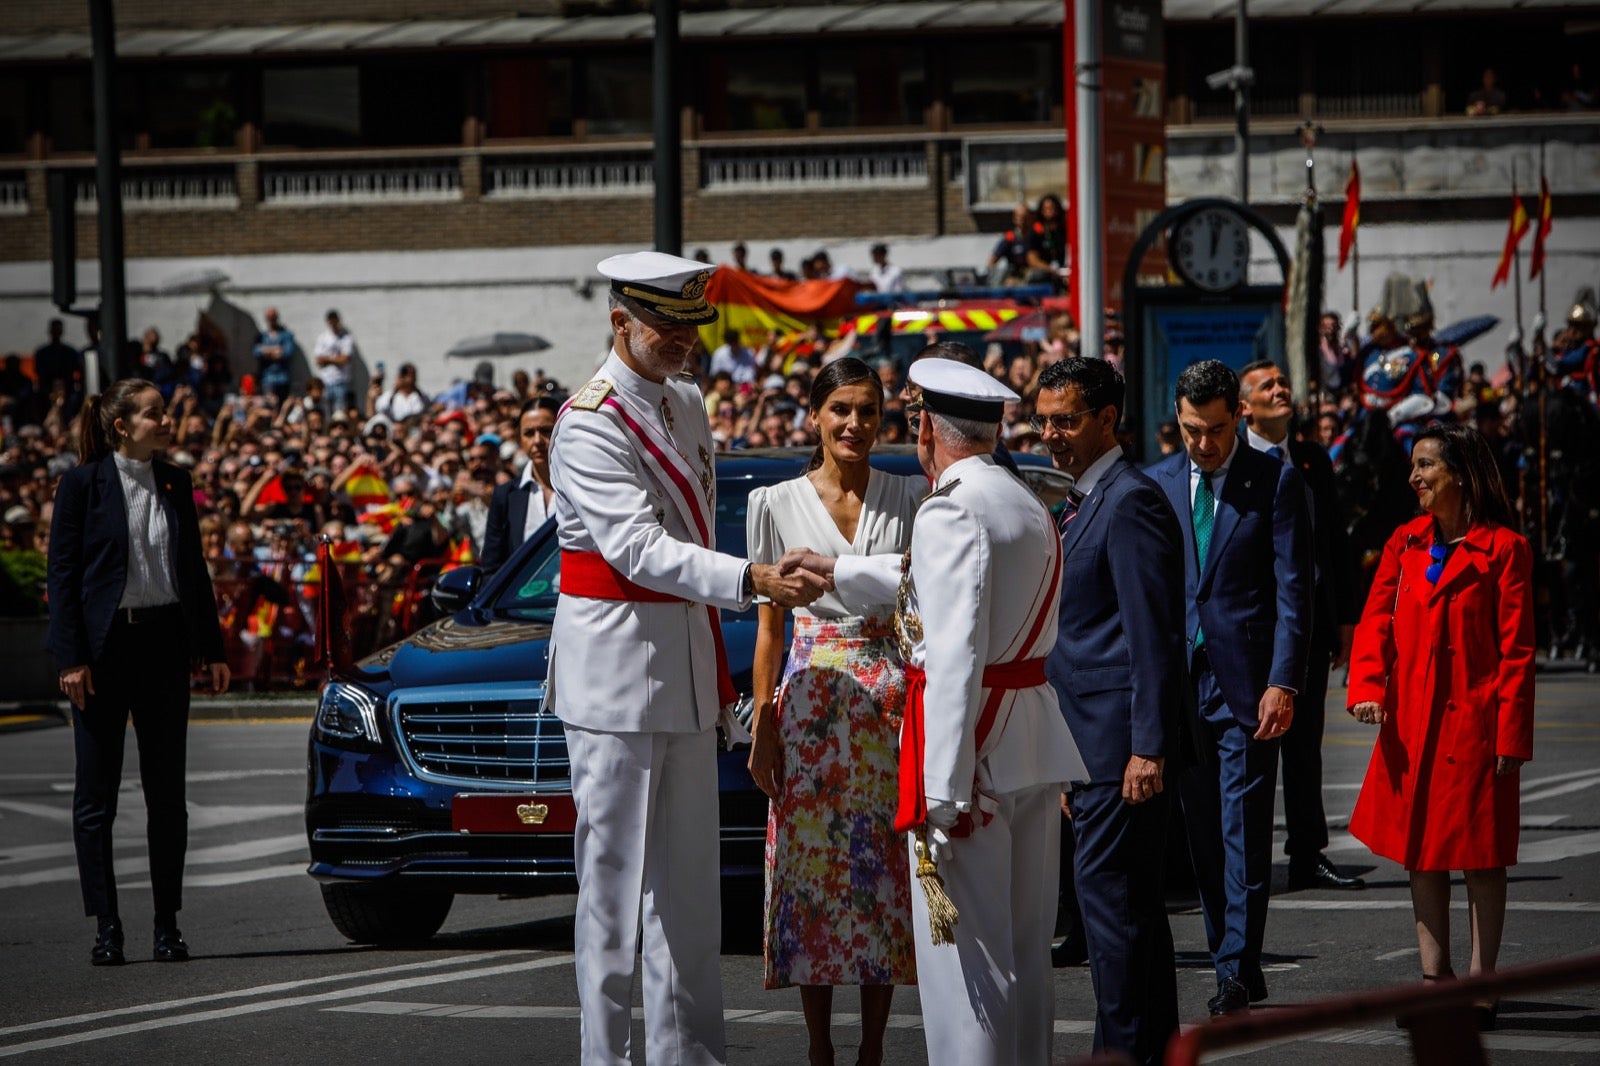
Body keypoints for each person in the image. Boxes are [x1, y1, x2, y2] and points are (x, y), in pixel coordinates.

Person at [546, 250, 826, 1065]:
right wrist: (750, 576)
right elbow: (636, 548)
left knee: (689, 901)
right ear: (619, 322)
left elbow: (689, 533)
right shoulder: (591, 419)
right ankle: (608, 1057)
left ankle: (691, 1056)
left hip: (683, 668)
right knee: (610, 895)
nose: (680, 341)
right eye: (664, 325)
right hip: (613, 674)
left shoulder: (686, 403)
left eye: (689, 325)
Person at [786, 358, 1083, 1066]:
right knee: (1022, 955)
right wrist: (838, 570)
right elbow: (937, 580)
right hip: (1029, 740)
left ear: (925, 428)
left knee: (967, 973)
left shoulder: (951, 507)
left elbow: (950, 652)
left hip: (971, 755)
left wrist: (943, 793)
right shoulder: (1023, 498)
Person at [745, 357, 923, 1066]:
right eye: (841, 409)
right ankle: (819, 1048)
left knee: (882, 878)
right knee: (809, 876)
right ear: (814, 415)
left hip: (890, 702)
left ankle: (873, 1048)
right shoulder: (773, 503)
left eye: (869, 411)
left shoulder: (910, 494)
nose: (855, 423)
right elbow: (767, 628)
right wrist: (762, 724)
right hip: (810, 701)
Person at [1346, 423, 1534, 1031]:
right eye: (1414, 466)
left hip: (1476, 724)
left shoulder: (1504, 549)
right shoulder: (1404, 543)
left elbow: (1517, 652)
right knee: (1420, 855)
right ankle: (1435, 978)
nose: (1414, 478)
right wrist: (1368, 688)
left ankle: (1483, 983)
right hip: (1412, 724)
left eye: (1426, 465)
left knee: (1482, 858)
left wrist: (1510, 736)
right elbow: (1374, 621)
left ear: (1462, 473)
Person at [45, 378, 230, 967]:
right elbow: (63, 574)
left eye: (165, 412)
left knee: (166, 795)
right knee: (95, 798)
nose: (167, 421)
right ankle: (107, 926)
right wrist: (70, 657)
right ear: (122, 425)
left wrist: (212, 646)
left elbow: (192, 568)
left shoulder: (176, 480)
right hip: (102, 651)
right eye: (155, 414)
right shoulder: (81, 484)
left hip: (163, 644)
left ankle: (167, 924)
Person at [1151, 359, 1312, 1017]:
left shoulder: (1274, 481)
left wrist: (1283, 680)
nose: (1204, 444)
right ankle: (1230, 954)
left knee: (1244, 828)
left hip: (1246, 685)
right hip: (1178, 689)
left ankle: (1237, 970)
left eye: (1216, 430)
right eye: (1192, 430)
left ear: (1236, 418)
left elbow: (1293, 589)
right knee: (1205, 838)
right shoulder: (1157, 482)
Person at [1036, 357, 1182, 1065]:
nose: (1050, 434)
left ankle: (1122, 1054)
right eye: (1044, 421)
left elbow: (1152, 637)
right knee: (1130, 918)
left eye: (1065, 421)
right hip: (1090, 749)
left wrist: (1147, 748)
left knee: (1115, 919)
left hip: (1120, 750)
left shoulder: (1129, 501)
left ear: (1105, 421)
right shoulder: (1080, 501)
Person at [1238, 361, 1366, 892]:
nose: (1280, 389)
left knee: (1305, 743)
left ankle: (1308, 853)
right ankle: (1248, 861)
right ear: (1244, 406)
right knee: (1252, 747)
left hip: (1308, 625)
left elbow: (1335, 543)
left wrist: (1343, 620)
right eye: (1267, 385)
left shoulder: (1311, 460)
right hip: (1253, 630)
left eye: (1282, 382)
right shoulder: (1236, 462)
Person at [480, 396, 559, 572]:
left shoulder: (584, 488)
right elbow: (491, 568)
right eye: (529, 433)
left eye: (546, 430)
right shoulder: (505, 496)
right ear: (519, 438)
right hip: (526, 598)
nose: (537, 441)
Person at [313, 310, 357, 417]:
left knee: (340, 412)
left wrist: (327, 359)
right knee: (326, 412)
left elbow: (345, 359)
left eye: (334, 320)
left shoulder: (346, 338)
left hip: (341, 381)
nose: (333, 322)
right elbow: (318, 360)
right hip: (326, 381)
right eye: (330, 320)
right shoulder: (323, 337)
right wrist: (336, 359)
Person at [252, 307, 299, 403]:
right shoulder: (263, 336)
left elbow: (287, 353)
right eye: (269, 317)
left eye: (273, 317)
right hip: (267, 377)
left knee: (283, 404)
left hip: (282, 378)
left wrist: (266, 350)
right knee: (269, 406)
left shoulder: (286, 335)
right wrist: (275, 350)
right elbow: (256, 352)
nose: (271, 320)